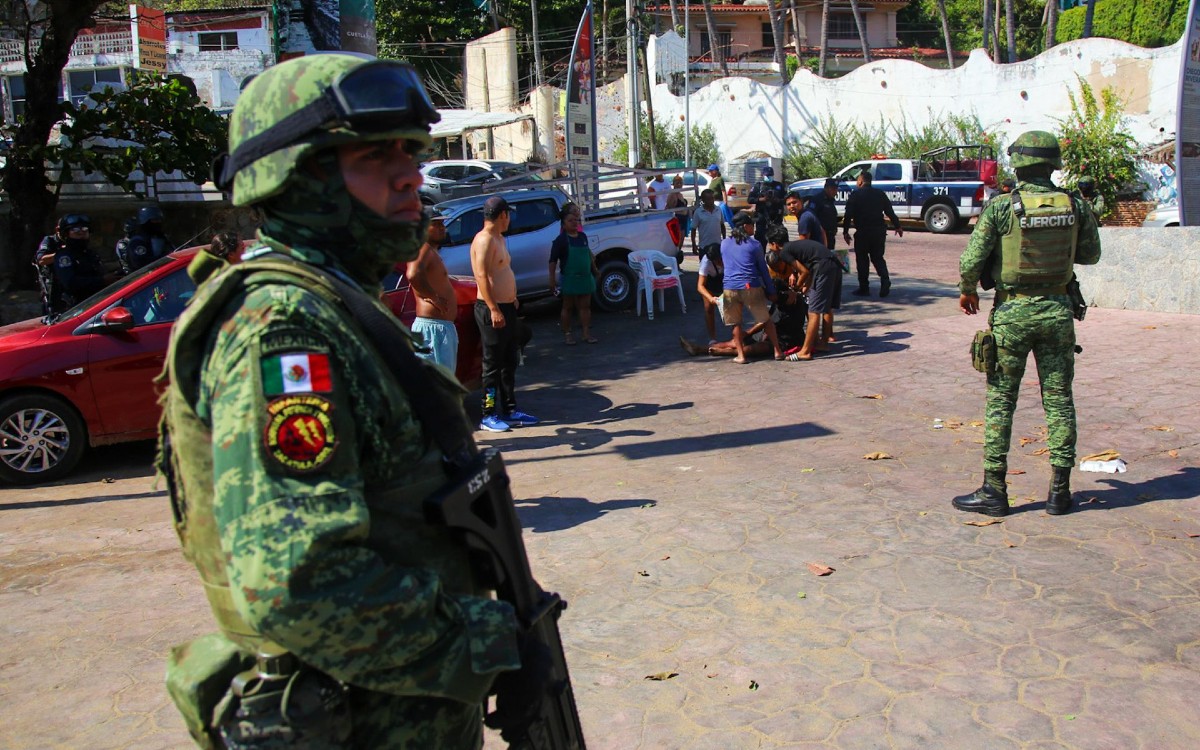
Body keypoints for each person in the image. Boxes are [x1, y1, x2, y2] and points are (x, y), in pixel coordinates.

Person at [157, 55, 531, 748]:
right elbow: (301, 582)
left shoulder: (336, 304)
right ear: (299, 178)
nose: (410, 173)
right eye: (372, 155)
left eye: (411, 151)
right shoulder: (285, 332)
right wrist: (480, 641)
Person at [952, 130, 1102, 518]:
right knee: (1059, 401)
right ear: (1052, 164)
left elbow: (971, 261)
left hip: (1012, 314)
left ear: (1017, 163)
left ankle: (995, 491)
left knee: (1002, 401)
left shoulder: (1003, 207)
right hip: (1057, 312)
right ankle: (1060, 493)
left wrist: (968, 289)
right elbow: (1091, 255)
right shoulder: (1075, 205)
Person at [473, 195, 540, 432]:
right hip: (492, 310)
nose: (509, 219)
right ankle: (487, 413)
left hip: (508, 307)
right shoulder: (484, 240)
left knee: (509, 361)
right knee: (491, 365)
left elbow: (502, 271)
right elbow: (481, 276)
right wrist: (493, 308)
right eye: (508, 215)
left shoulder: (499, 238)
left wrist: (512, 298)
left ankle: (510, 409)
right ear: (503, 215)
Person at [765, 226, 842, 360]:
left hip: (823, 267)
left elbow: (804, 271)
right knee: (827, 307)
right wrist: (806, 285)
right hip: (833, 263)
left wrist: (795, 290)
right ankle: (823, 343)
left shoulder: (784, 252)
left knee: (814, 311)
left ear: (775, 244)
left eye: (770, 245)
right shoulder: (795, 246)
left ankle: (805, 351)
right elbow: (810, 267)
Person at [719, 211, 784, 364]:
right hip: (750, 286)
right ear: (746, 226)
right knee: (766, 320)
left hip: (729, 287)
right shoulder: (754, 245)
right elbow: (763, 270)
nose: (753, 227)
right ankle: (777, 351)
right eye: (752, 224)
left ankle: (741, 356)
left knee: (736, 323)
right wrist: (771, 291)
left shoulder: (724, 243)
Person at [406, 210, 461, 373]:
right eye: (435, 224)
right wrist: (434, 297)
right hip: (432, 329)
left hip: (440, 327)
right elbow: (413, 274)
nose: (442, 228)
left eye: (442, 224)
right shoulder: (422, 248)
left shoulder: (430, 251)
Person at [842, 170, 902, 297]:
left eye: (857, 180)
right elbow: (889, 211)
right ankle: (885, 280)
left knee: (862, 260)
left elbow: (848, 214)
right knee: (878, 258)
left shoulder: (855, 195)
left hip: (863, 232)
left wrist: (845, 231)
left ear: (861, 181)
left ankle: (864, 288)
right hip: (879, 231)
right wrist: (898, 226)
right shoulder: (880, 194)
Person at [548, 202, 599, 345]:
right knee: (567, 307)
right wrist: (551, 280)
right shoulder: (560, 240)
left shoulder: (583, 237)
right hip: (569, 278)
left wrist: (595, 270)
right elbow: (552, 261)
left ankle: (586, 334)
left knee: (585, 307)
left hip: (585, 277)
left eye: (576, 220)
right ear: (563, 224)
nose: (574, 223)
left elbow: (588, 255)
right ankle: (568, 334)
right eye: (570, 221)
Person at [37, 213, 107, 314]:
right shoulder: (51, 242)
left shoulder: (86, 251)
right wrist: (63, 253)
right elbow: (41, 260)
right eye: (76, 231)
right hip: (59, 292)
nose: (81, 235)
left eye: (84, 230)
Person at [123, 206, 174, 272]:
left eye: (159, 220)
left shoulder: (162, 237)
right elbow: (140, 264)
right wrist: (165, 257)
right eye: (154, 220)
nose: (158, 223)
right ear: (145, 222)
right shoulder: (138, 241)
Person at [748, 166, 785, 247]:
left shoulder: (779, 186)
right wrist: (762, 199)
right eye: (767, 175)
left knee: (778, 242)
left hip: (776, 218)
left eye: (770, 175)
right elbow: (750, 199)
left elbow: (786, 200)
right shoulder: (758, 186)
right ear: (763, 175)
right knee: (761, 243)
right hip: (762, 218)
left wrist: (778, 200)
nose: (769, 177)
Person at [691, 187, 726, 264]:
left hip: (717, 245)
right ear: (703, 200)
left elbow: (722, 225)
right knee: (704, 270)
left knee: (718, 270)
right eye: (708, 199)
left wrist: (724, 239)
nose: (711, 201)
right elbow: (693, 229)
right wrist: (694, 244)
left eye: (712, 198)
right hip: (704, 247)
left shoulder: (718, 210)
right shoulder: (698, 212)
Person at [664, 174, 689, 255]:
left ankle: (677, 262)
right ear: (673, 184)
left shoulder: (680, 194)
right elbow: (669, 209)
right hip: (678, 221)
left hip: (684, 221)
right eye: (677, 183)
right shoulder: (672, 195)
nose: (679, 184)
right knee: (677, 244)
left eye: (680, 182)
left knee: (681, 243)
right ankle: (675, 262)